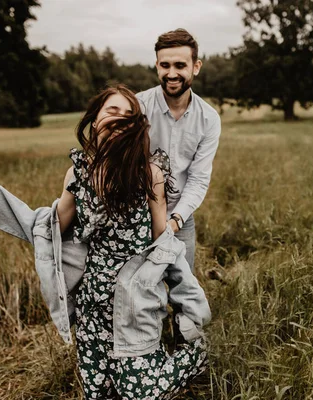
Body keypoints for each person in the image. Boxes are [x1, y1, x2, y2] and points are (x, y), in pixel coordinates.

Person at [56, 84, 209, 399]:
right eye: (112, 111)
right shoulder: (77, 173)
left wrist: (185, 296)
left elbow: (161, 239)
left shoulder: (149, 173)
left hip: (136, 297)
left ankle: (195, 355)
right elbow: (54, 226)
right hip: (92, 301)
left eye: (129, 117)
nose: (119, 121)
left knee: (142, 394)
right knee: (98, 393)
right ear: (96, 118)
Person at [137, 28, 222, 272]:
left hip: (180, 218)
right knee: (138, 293)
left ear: (196, 66)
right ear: (156, 66)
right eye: (165, 65)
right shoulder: (137, 106)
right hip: (135, 216)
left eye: (180, 65)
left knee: (184, 292)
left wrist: (174, 222)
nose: (172, 73)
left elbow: (198, 179)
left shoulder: (208, 119)